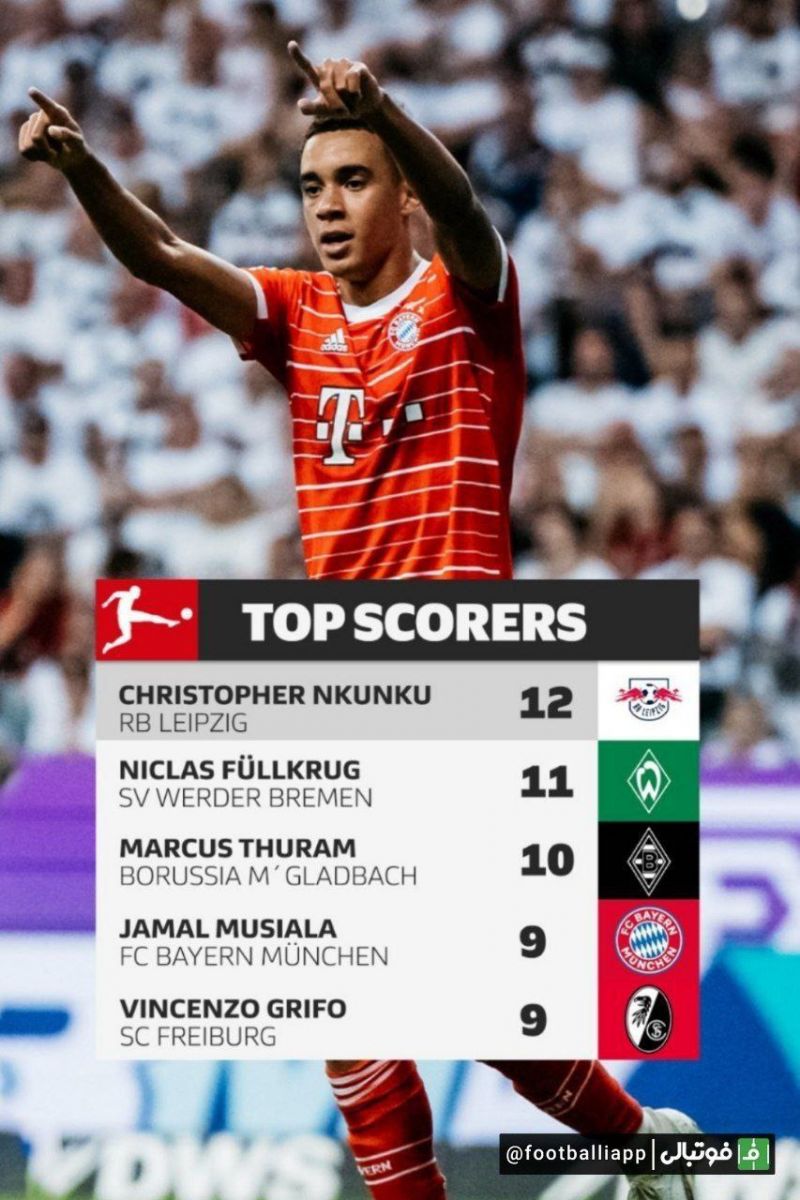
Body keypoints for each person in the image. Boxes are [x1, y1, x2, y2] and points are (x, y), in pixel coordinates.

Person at [20, 42, 697, 1200]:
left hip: (467, 691)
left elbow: (467, 213)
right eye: (310, 186)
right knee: (386, 1022)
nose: (326, 206)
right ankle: (647, 1149)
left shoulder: (466, 304)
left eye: (352, 180)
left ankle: (642, 1146)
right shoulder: (296, 315)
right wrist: (83, 170)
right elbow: (164, 257)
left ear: (401, 195)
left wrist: (387, 115)